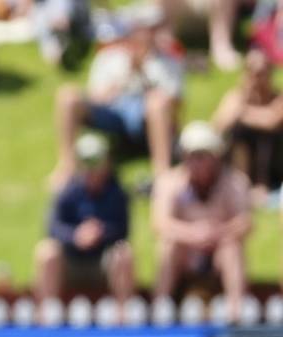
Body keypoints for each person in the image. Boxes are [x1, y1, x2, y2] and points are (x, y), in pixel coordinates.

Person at [51, 6, 182, 189]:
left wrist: (144, 75)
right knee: (67, 96)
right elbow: (96, 97)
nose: (148, 34)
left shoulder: (169, 59)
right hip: (113, 111)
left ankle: (162, 173)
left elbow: (175, 104)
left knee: (157, 104)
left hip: (145, 115)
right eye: (144, 28)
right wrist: (126, 75)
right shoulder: (109, 55)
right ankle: (68, 166)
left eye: (153, 28)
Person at [152, 121, 252, 323]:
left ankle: (236, 312)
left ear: (216, 156)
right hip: (186, 254)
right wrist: (193, 234)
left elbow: (245, 222)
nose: (196, 163)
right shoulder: (169, 182)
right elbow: (160, 223)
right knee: (169, 245)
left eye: (202, 156)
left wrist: (217, 233)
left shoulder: (235, 182)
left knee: (232, 248)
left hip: (218, 252)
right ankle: (159, 308)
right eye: (192, 156)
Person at [33, 133, 134, 306]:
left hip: (103, 261)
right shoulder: (66, 190)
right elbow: (52, 227)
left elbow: (123, 229)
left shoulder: (117, 192)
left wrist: (100, 232)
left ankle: (123, 315)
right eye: (86, 161)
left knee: (123, 252)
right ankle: (45, 314)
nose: (91, 167)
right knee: (46, 251)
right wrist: (76, 236)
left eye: (96, 161)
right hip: (70, 261)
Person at [213, 48, 283, 204]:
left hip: (273, 164)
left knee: (266, 134)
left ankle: (261, 186)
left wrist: (243, 112)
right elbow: (218, 127)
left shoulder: (278, 97)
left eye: (263, 72)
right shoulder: (236, 96)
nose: (259, 78)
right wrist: (245, 96)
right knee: (239, 131)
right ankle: (241, 184)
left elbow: (272, 122)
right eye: (254, 72)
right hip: (240, 160)